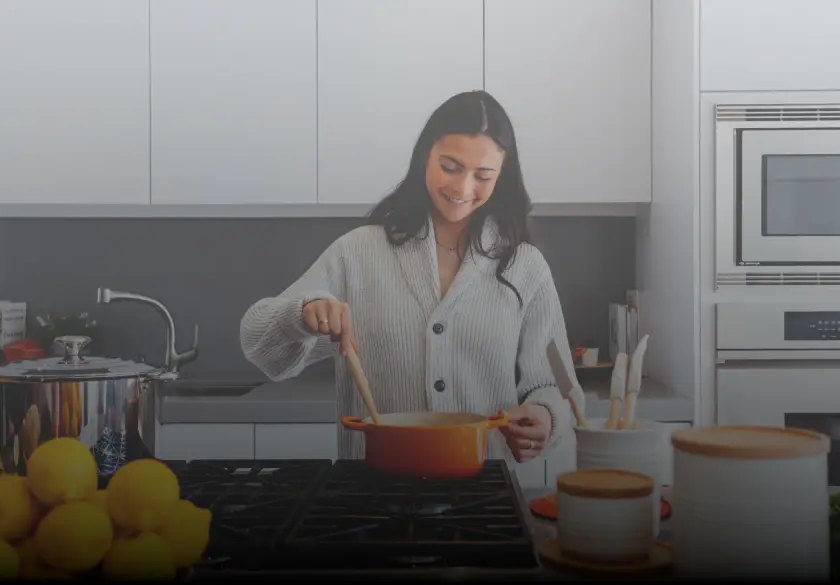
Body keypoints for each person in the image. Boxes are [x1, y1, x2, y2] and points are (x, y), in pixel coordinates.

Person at [240, 90, 584, 468]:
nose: (463, 188)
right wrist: (303, 313)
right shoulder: (357, 253)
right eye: (450, 167)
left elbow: (558, 386)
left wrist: (545, 417)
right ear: (425, 156)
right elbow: (259, 343)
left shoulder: (525, 266)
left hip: (485, 497)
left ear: (501, 177)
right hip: (373, 495)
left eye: (483, 175)